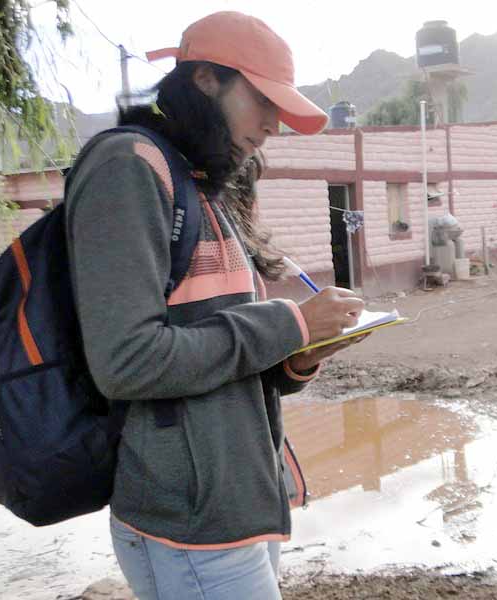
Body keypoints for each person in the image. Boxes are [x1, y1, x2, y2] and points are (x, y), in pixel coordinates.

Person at [64, 11, 364, 600]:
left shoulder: (201, 183)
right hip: (189, 522)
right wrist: (291, 321)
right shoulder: (129, 168)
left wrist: (299, 355)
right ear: (205, 79)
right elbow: (127, 361)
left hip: (237, 499)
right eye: (263, 102)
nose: (273, 125)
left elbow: (218, 351)